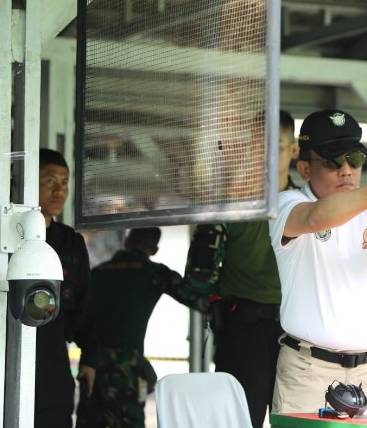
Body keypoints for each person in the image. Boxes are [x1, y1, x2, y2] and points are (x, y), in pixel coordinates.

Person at [268, 109, 367, 414]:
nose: (346, 170)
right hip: (308, 371)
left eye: (354, 160)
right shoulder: (287, 203)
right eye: (332, 161)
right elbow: (316, 217)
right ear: (303, 169)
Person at [184, 110, 299, 428]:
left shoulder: (308, 205)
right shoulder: (230, 205)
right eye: (257, 144)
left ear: (293, 150)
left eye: (275, 144)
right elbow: (197, 277)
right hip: (243, 331)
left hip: (298, 336)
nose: (264, 152)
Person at [75, 227, 210, 428]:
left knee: (90, 421)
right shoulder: (153, 272)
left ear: (127, 242)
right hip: (127, 365)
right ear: (154, 250)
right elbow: (198, 300)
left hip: (91, 362)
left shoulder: (98, 272)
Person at [35, 148, 97, 428]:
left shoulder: (71, 243)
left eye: (64, 182)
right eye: (49, 181)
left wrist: (90, 359)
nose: (59, 191)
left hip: (53, 376)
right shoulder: (6, 238)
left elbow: (84, 308)